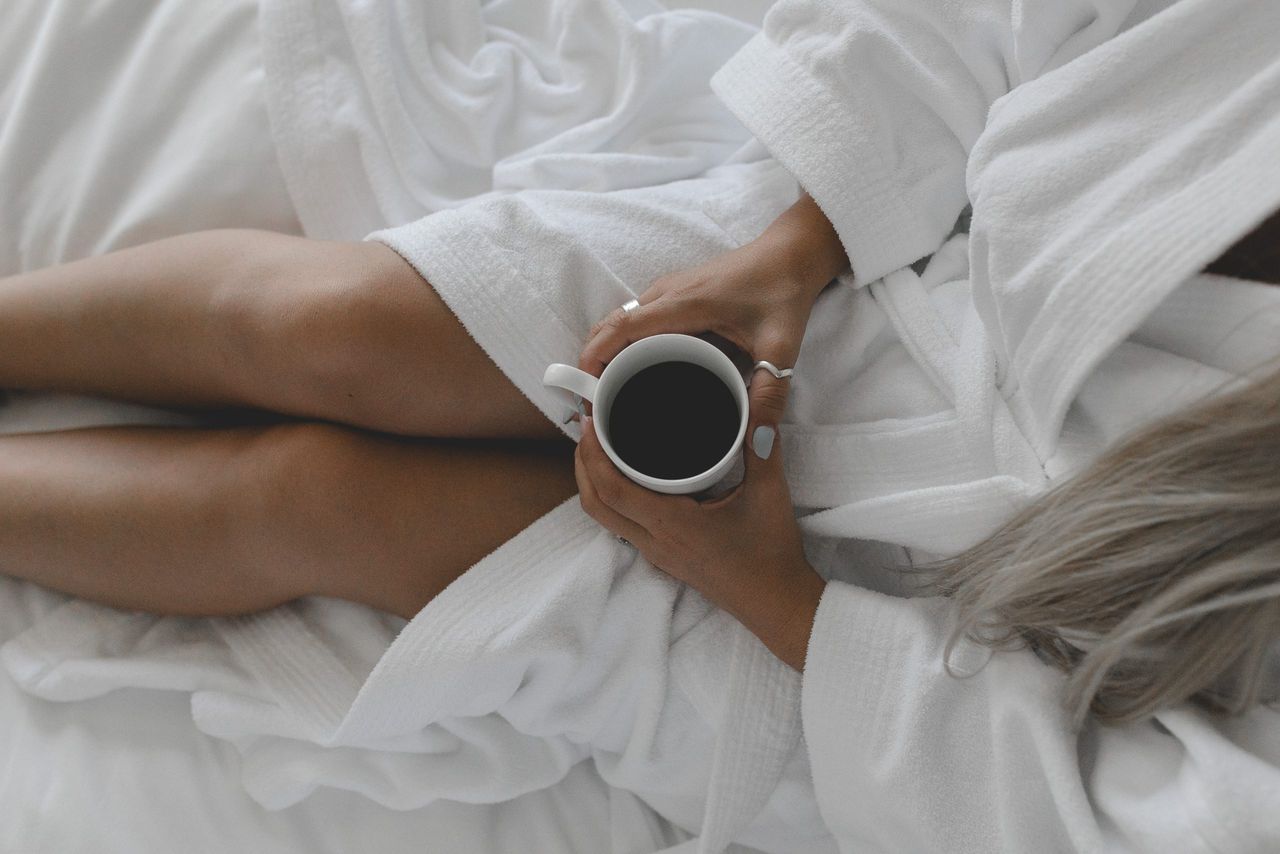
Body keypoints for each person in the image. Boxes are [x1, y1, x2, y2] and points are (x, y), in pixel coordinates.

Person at [1, 0, 1278, 851]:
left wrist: (766, 586)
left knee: (322, 501)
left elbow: (1112, 823)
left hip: (868, 656)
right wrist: (794, 245)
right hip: (858, 301)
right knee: (334, 329)